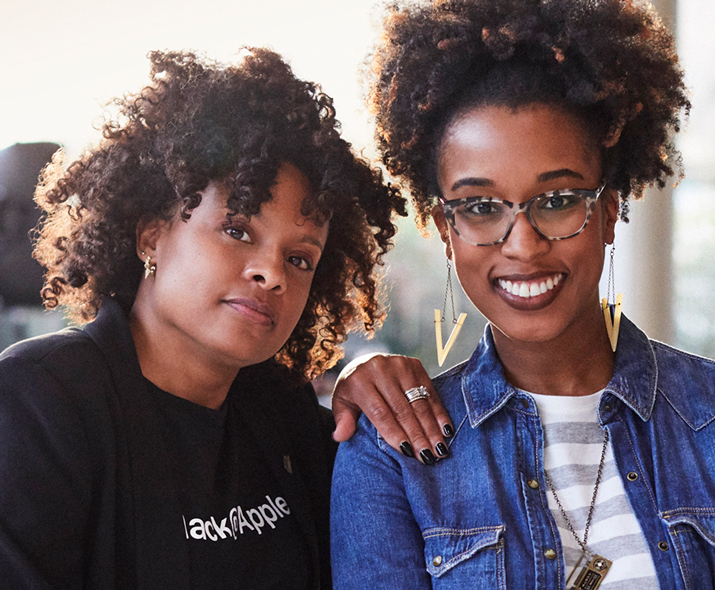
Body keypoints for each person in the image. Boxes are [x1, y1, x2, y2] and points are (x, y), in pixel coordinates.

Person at [0, 48, 449, 589]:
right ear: (151, 235)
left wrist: (368, 387)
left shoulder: (285, 413)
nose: (272, 273)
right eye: (237, 230)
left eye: (300, 258)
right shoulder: (36, 403)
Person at [330, 0, 714, 588]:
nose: (524, 246)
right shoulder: (390, 455)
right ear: (444, 229)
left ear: (609, 212)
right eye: (482, 207)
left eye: (558, 199)